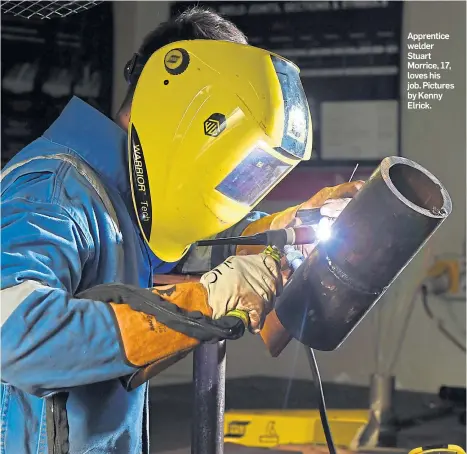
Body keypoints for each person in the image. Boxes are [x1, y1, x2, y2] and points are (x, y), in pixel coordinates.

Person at [0, 7, 362, 454]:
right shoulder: (55, 190)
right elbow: (12, 336)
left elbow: (197, 254)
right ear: (181, 114)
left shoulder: (128, 202)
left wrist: (287, 227)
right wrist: (205, 300)